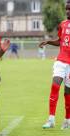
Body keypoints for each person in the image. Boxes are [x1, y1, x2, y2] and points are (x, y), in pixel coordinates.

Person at [39, 0, 70, 129]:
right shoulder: (63, 24)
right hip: (61, 60)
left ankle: (67, 120)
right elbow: (60, 41)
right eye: (67, 9)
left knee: (68, 93)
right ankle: (51, 119)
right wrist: (48, 42)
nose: (67, 11)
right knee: (55, 86)